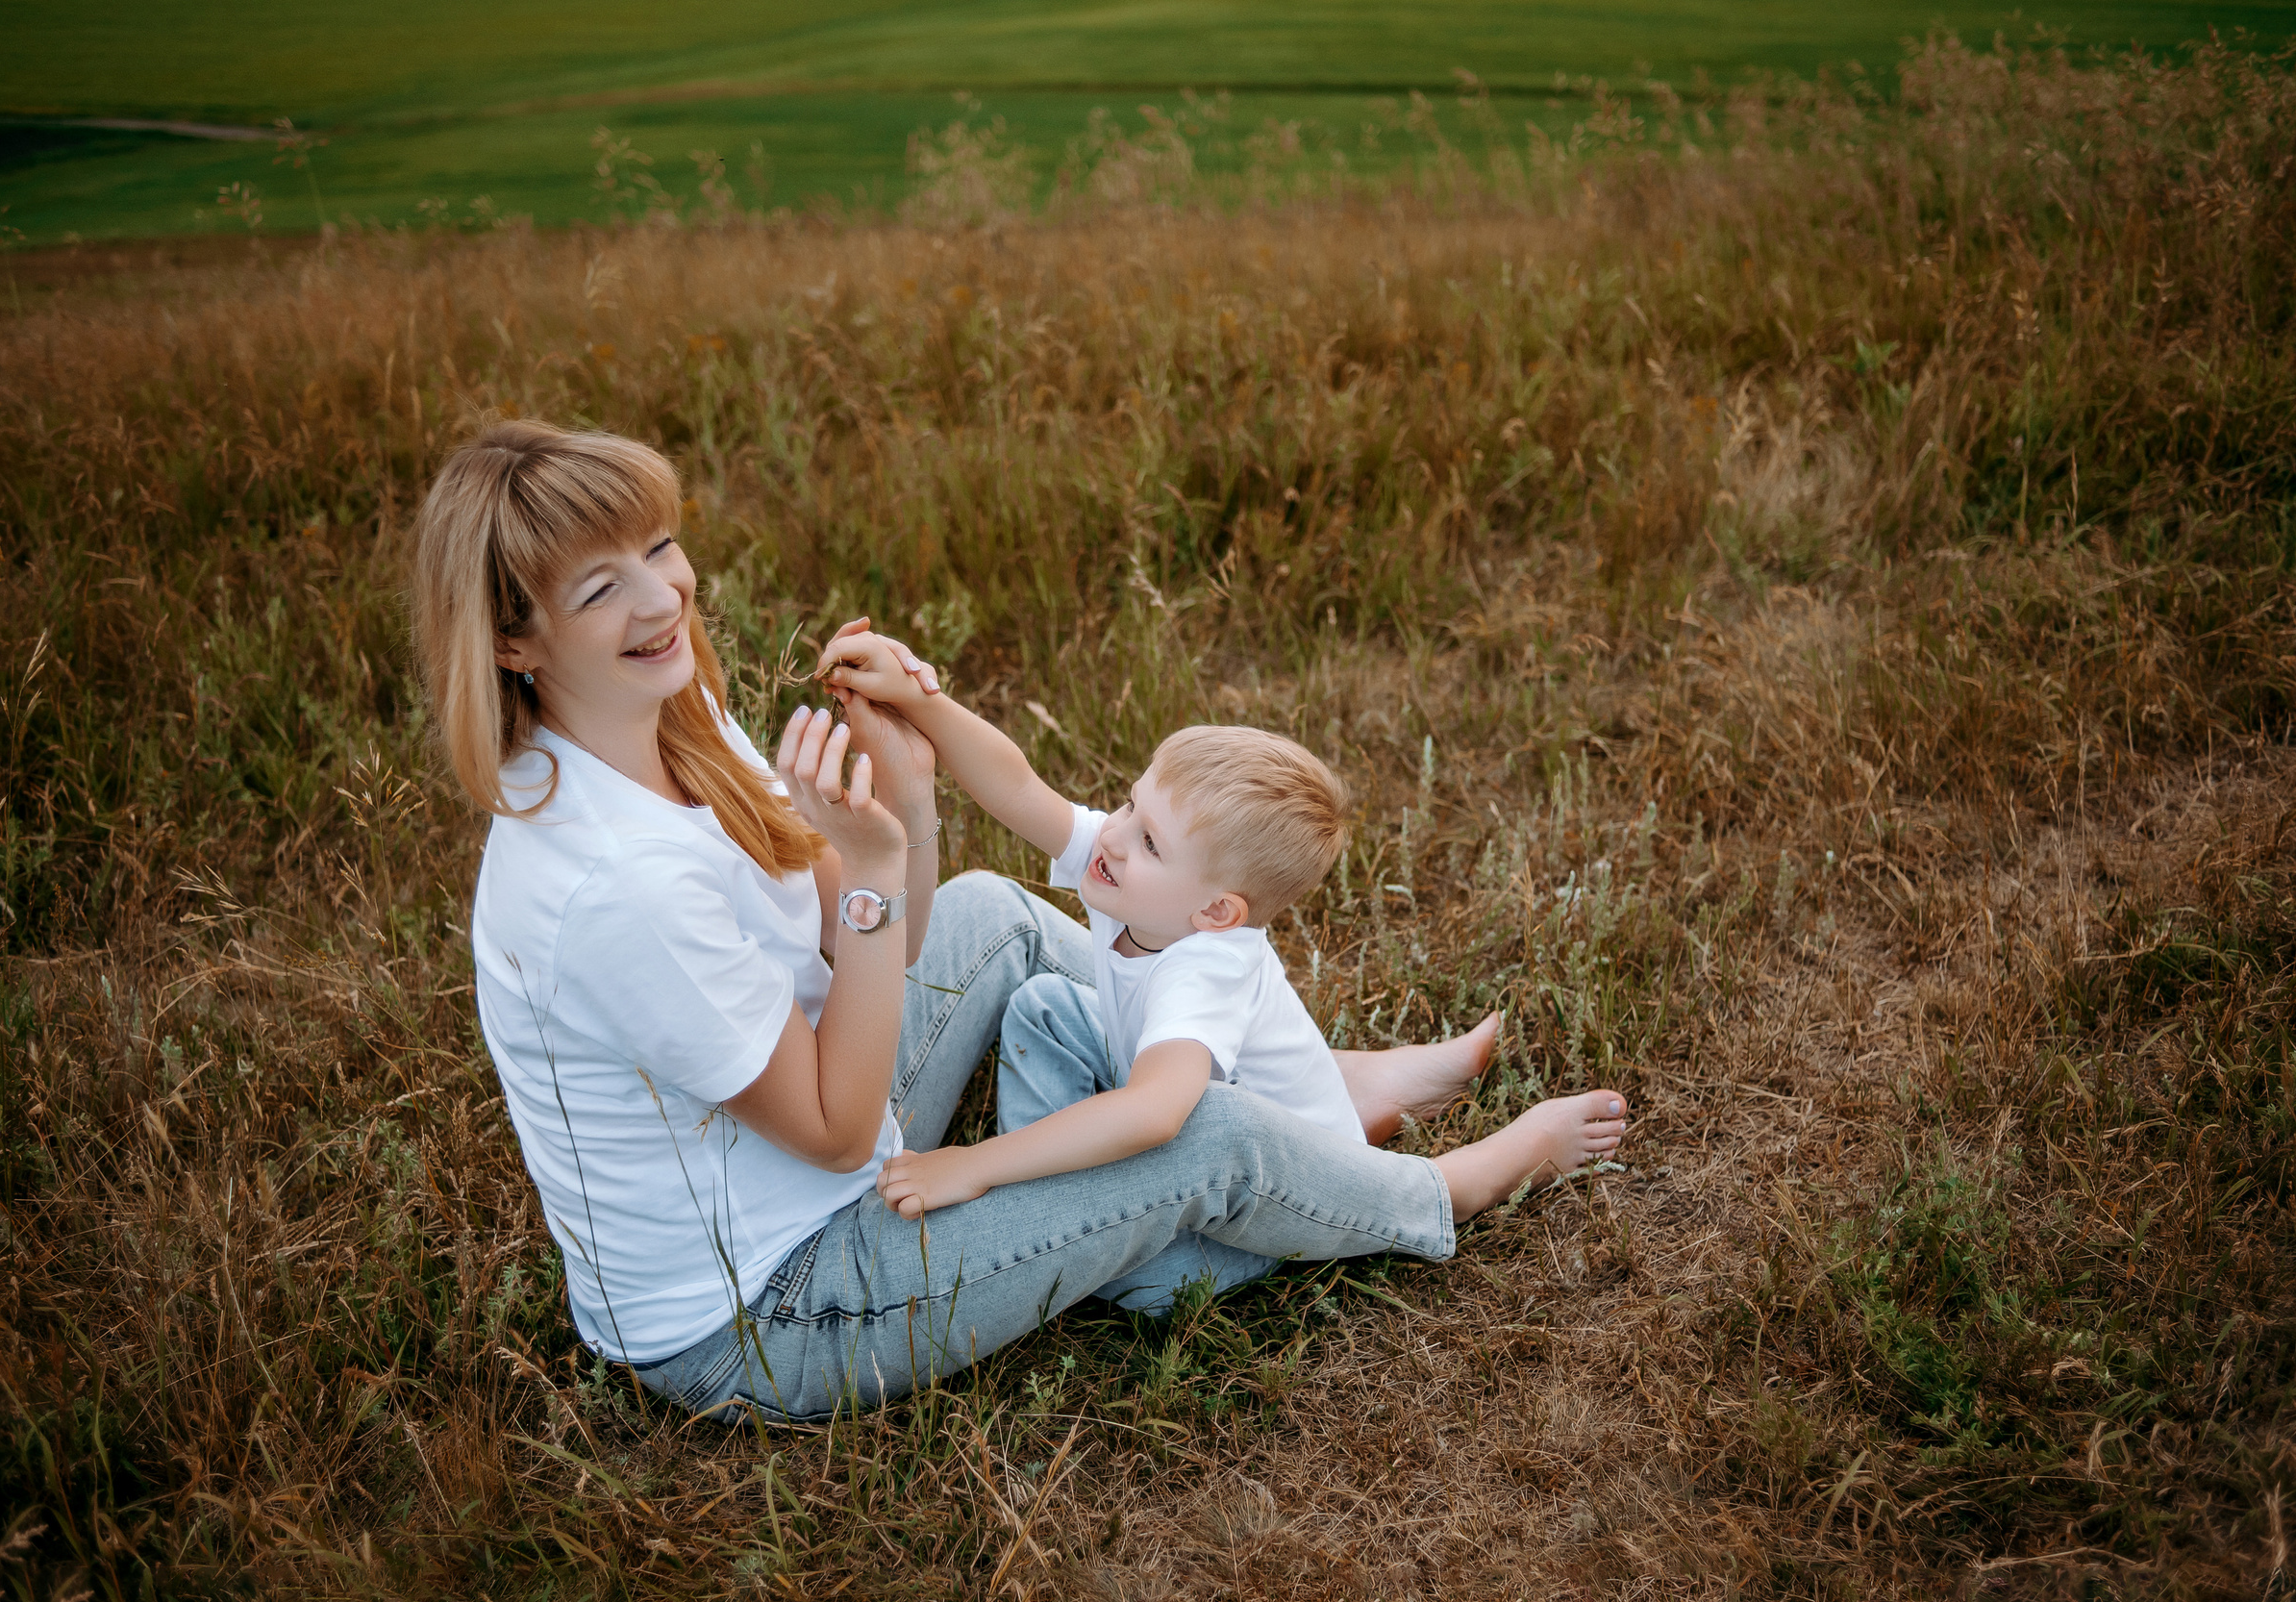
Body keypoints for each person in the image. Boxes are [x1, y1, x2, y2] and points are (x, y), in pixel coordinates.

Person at [414, 419, 1629, 1425]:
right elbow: (841, 1135)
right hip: (768, 1311)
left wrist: (911, 803)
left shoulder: (668, 722)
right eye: (600, 585)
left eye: (659, 546)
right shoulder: (612, 885)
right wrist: (875, 865)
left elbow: (861, 946)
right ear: (514, 642)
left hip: (824, 1165)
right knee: (1196, 1139)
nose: (661, 593)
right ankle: (1447, 1189)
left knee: (995, 913)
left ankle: (1304, 1079)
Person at [817, 636, 1628, 1313]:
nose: (1117, 834)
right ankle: (1350, 1097)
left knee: (1135, 1283)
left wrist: (976, 1163)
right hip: (1248, 1105)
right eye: (1131, 806)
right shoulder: (1137, 876)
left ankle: (1468, 1176)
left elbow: (1156, 1115)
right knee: (1043, 1008)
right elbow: (1019, 783)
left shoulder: (1204, 967)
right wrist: (920, 701)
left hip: (1239, 1221)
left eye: (1151, 840)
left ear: (1217, 912)